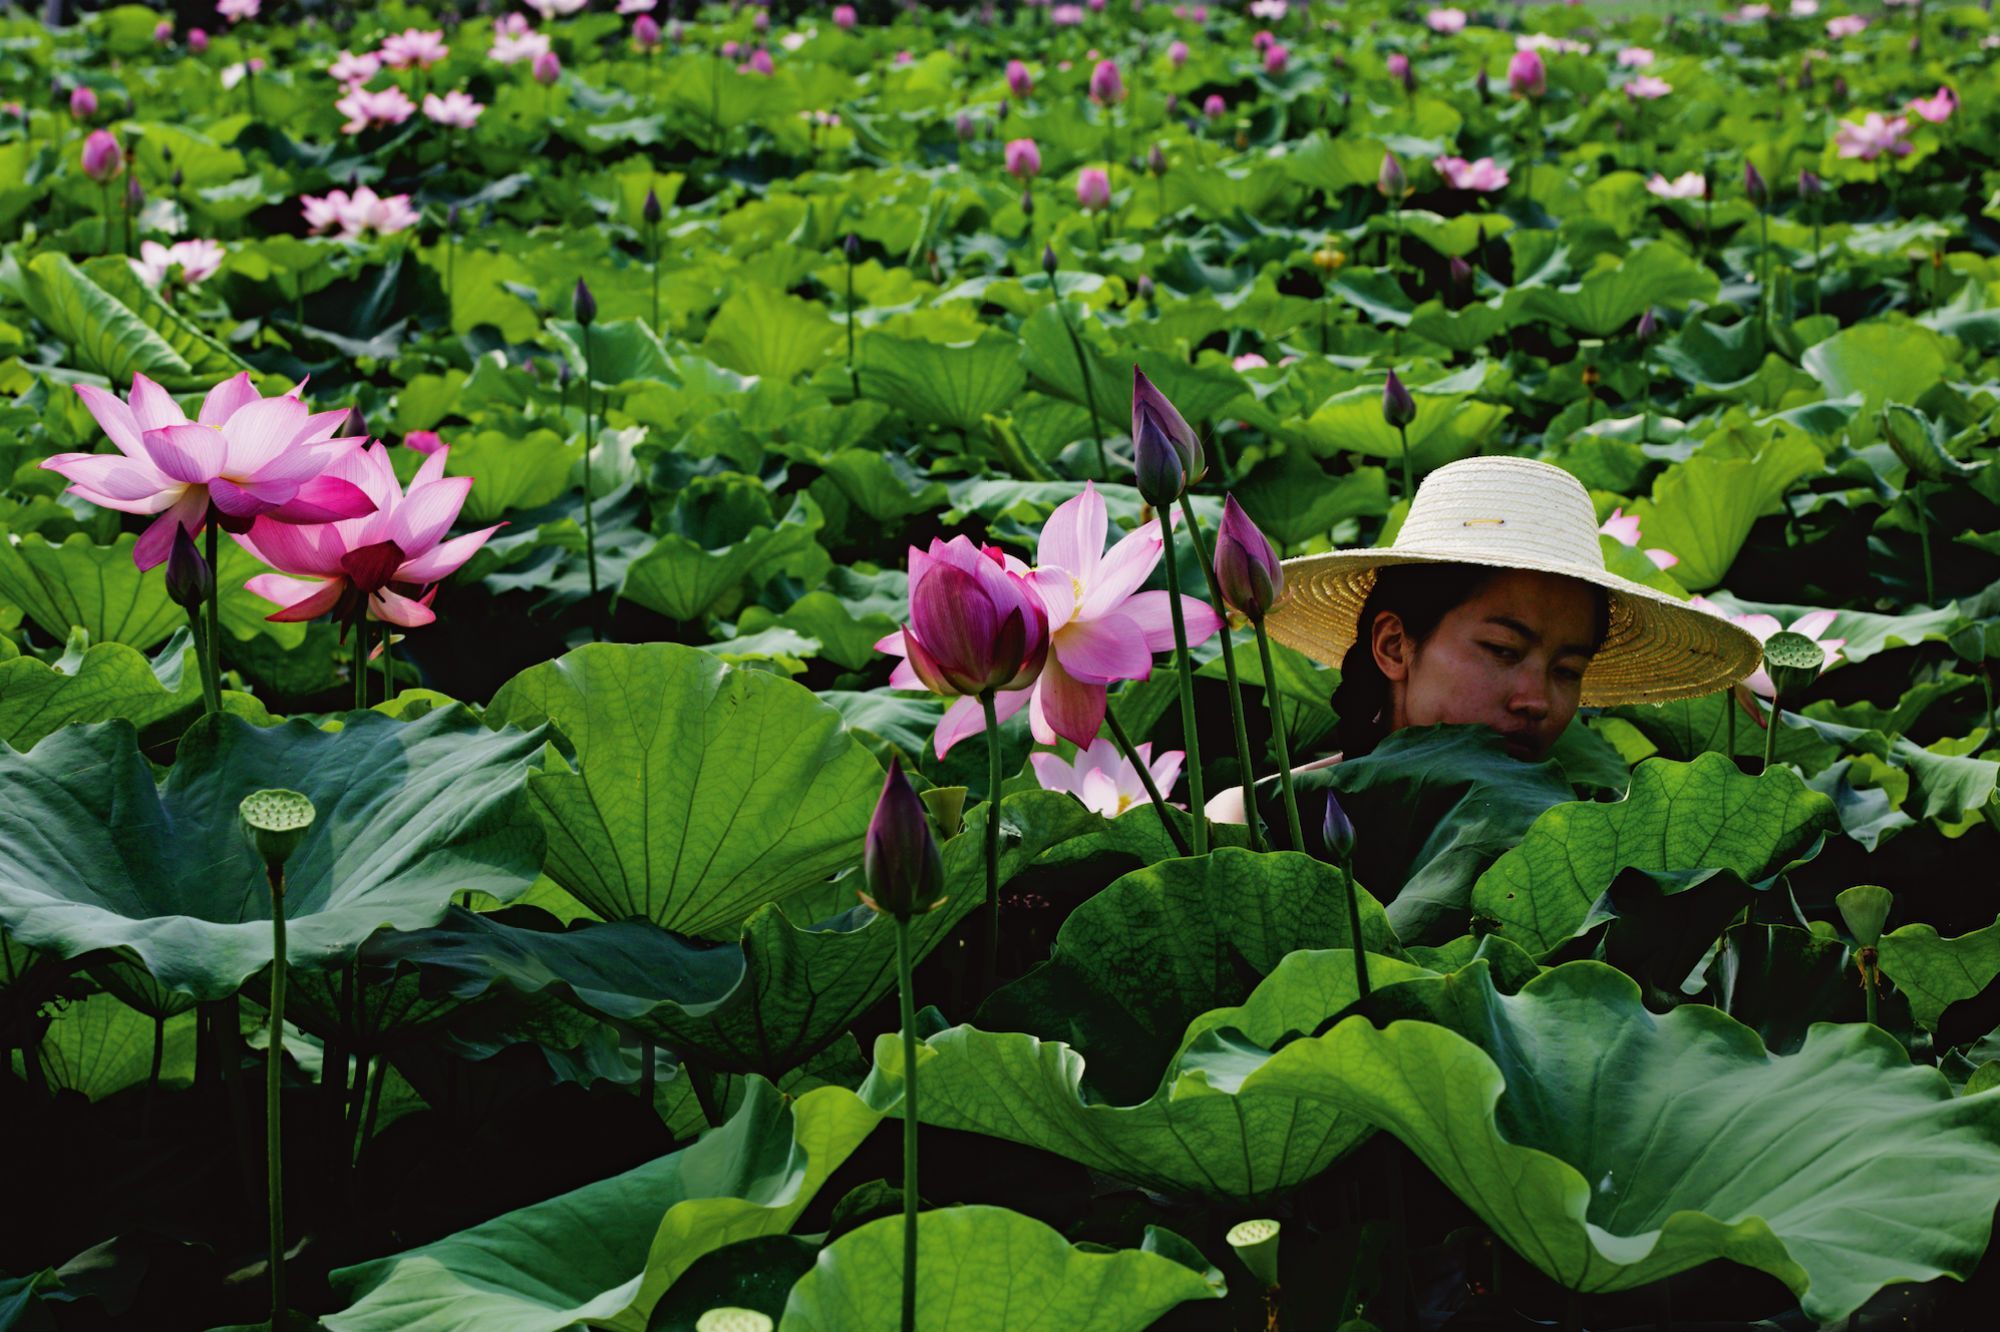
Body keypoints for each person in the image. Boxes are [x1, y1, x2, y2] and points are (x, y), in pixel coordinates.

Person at [1205, 455, 1763, 824]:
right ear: (1394, 646)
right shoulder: (1250, 821)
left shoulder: (1589, 843)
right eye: (1502, 651)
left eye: (1568, 670)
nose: (1538, 700)